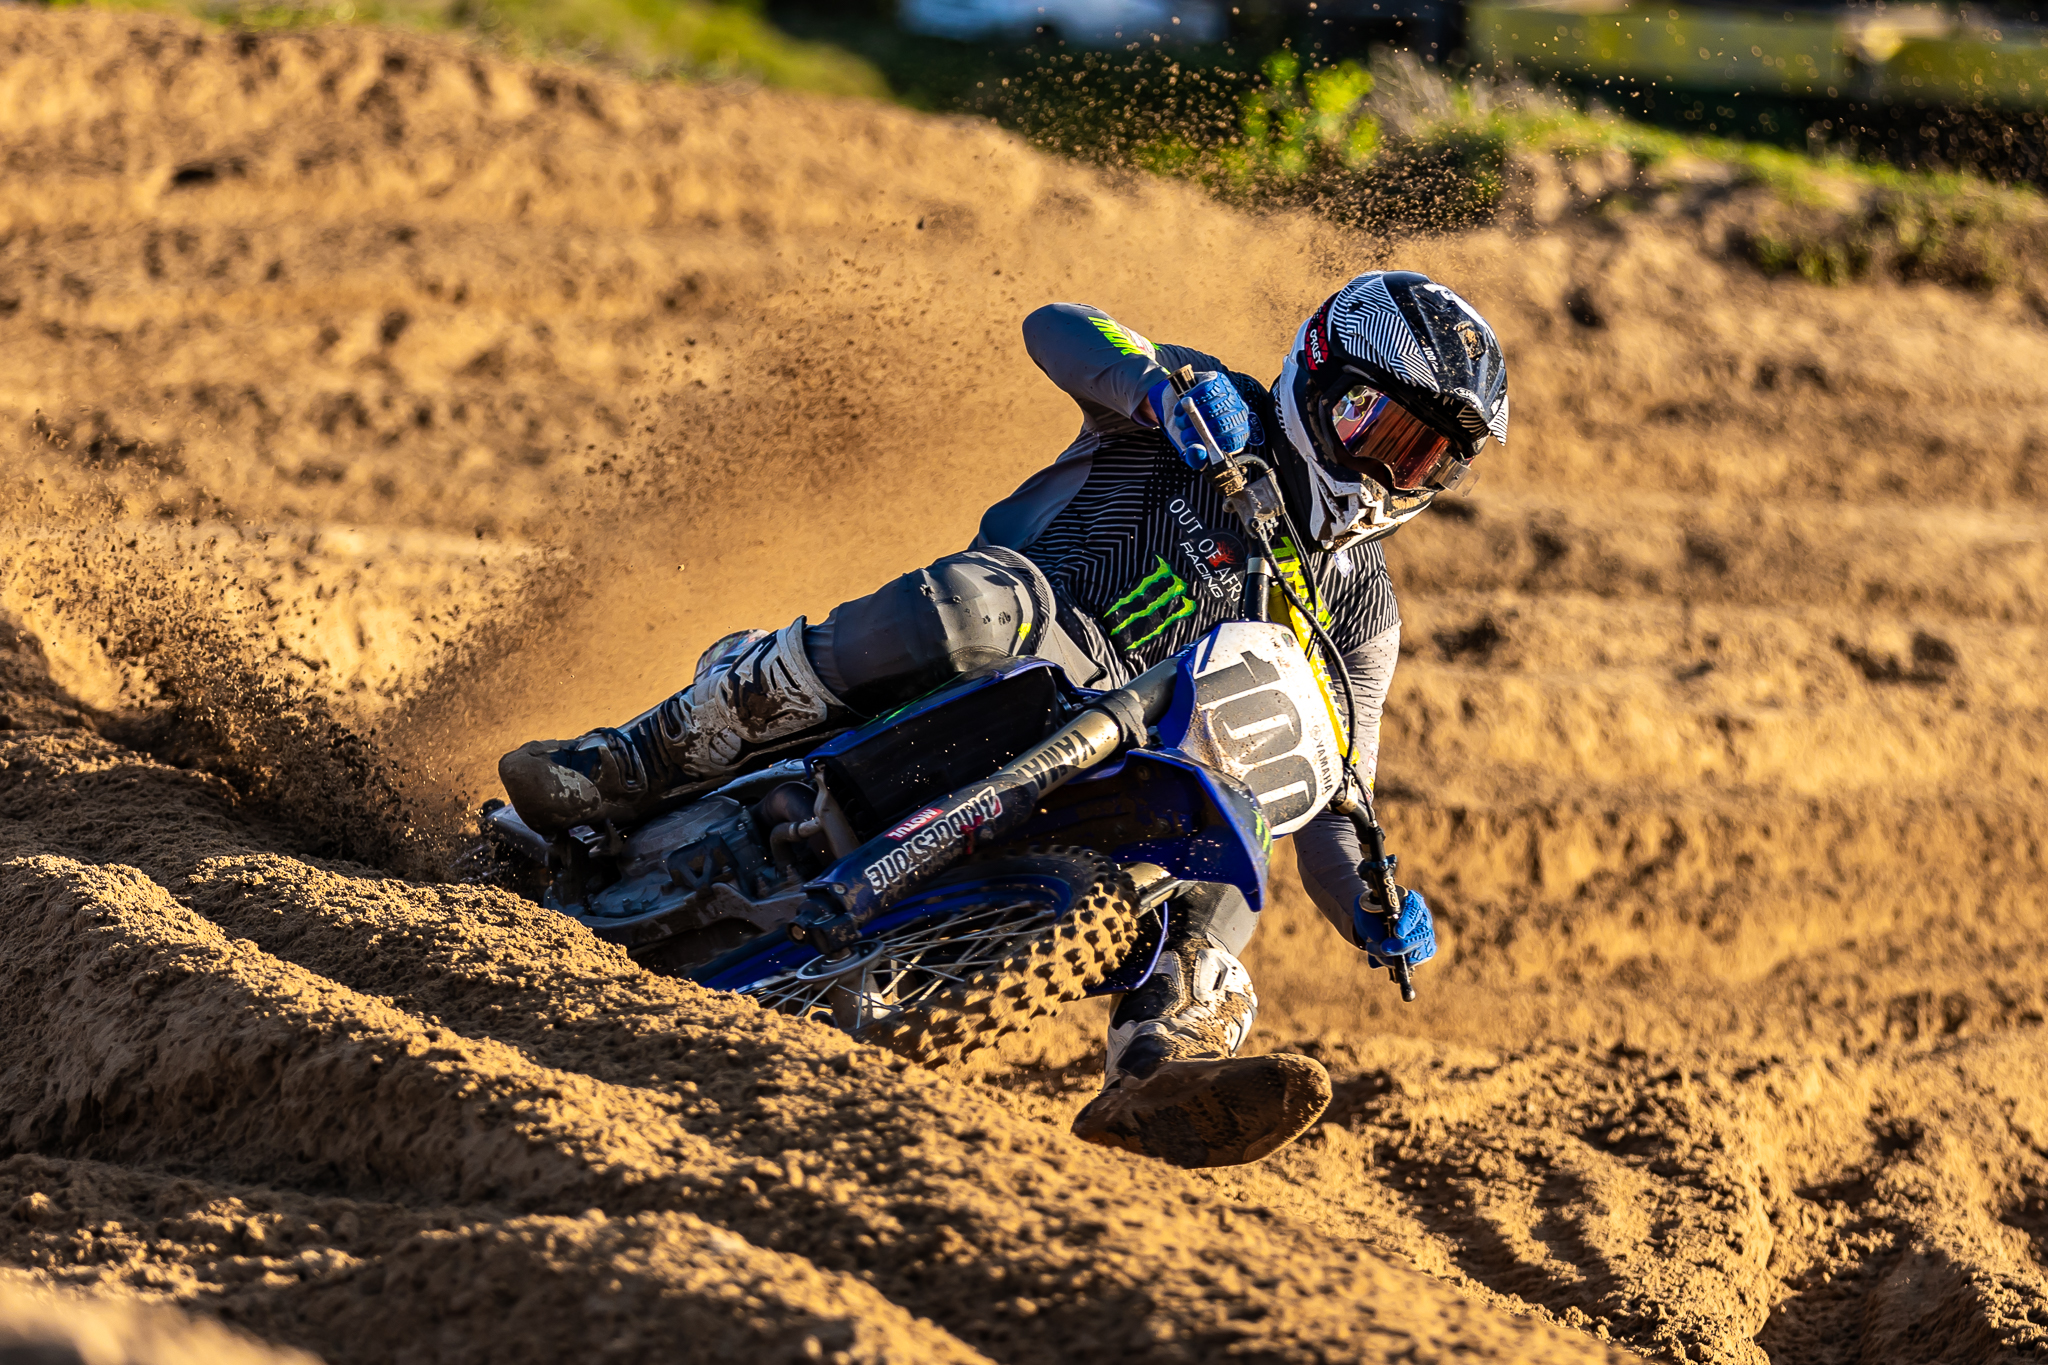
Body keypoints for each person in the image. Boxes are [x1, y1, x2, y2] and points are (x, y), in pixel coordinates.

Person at [499, 270, 1509, 1165]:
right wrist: (1157, 389)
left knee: (1237, 831)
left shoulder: (1363, 612)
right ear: (1319, 377)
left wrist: (1369, 904)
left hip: (1140, 763)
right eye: (1377, 429)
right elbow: (1056, 326)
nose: (1389, 473)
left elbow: (1337, 784)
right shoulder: (1211, 409)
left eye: (1424, 458)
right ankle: (634, 755)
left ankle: (1160, 1066)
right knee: (978, 606)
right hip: (1023, 647)